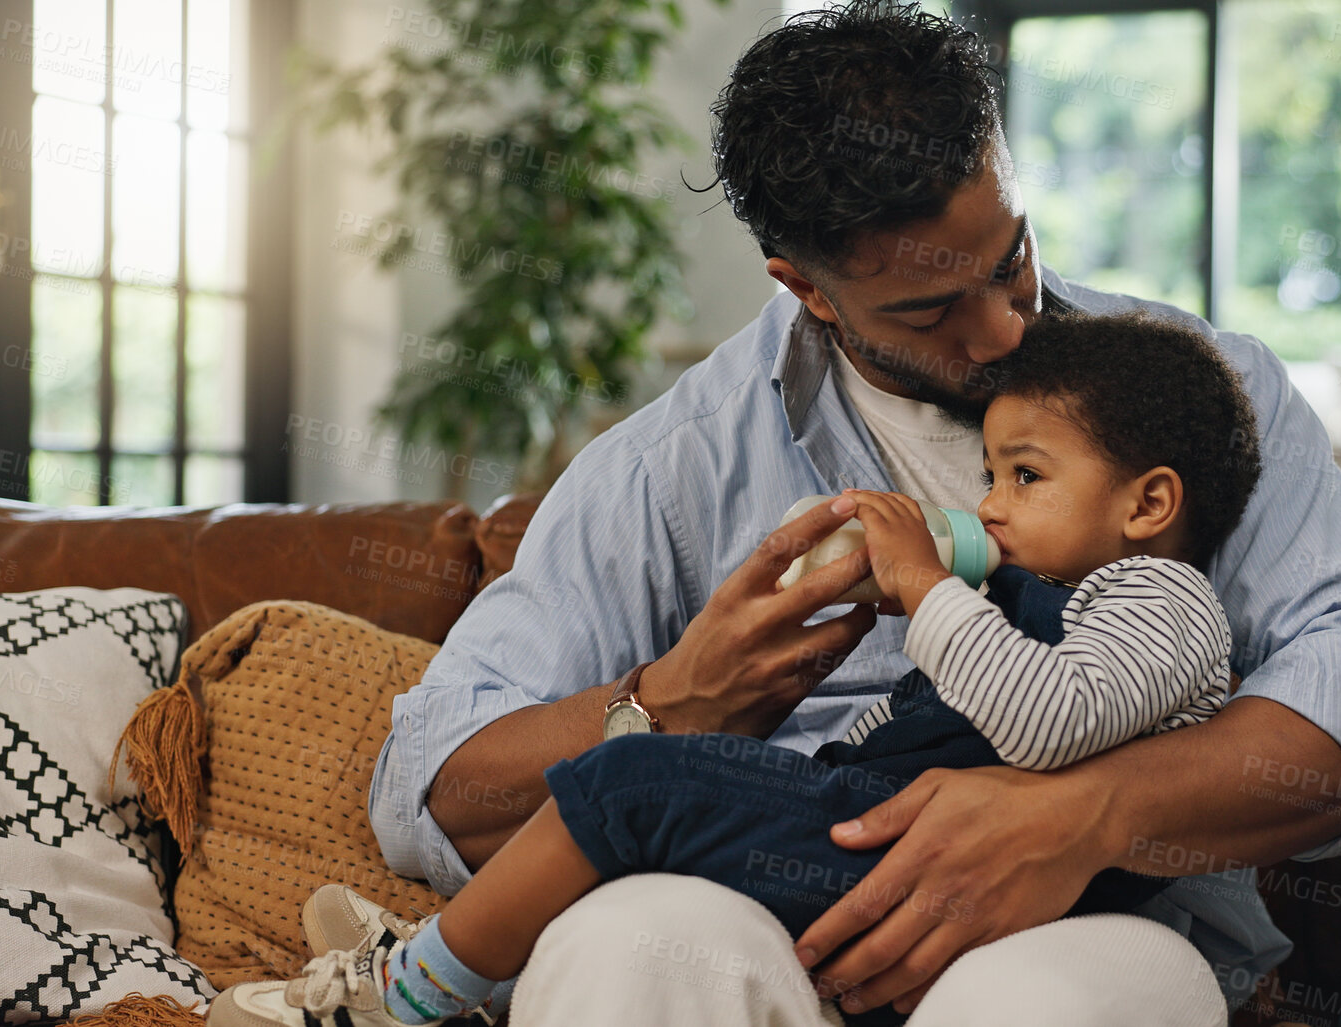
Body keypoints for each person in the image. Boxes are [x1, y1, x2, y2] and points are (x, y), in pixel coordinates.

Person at [362, 2, 1341, 1024]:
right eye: (930, 308)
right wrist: (668, 703)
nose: (1006, 332)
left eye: (1010, 258)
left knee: (1045, 1004)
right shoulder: (668, 470)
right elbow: (428, 788)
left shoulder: (1205, 394)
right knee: (634, 940)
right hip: (758, 903)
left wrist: (1086, 812)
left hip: (1109, 914)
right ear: (808, 289)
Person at [205, 310, 1266, 1027]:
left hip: (1014, 894)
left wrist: (925, 589)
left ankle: (414, 988)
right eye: (989, 473)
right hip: (881, 843)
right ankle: (451, 955)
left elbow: (1048, 723)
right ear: (806, 287)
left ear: (1149, 505)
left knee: (633, 783)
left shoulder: (1160, 601)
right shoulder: (675, 460)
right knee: (647, 801)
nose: (987, 505)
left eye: (1025, 476)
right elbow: (907, 730)